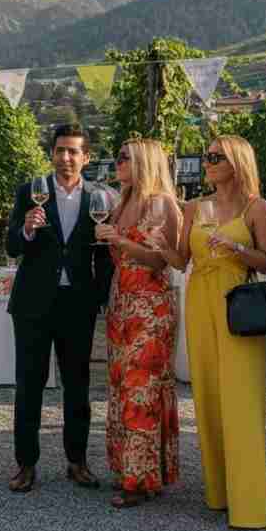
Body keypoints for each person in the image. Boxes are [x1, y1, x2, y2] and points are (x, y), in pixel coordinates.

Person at [147, 135, 266, 529]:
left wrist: (234, 249)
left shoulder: (258, 207)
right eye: (207, 156)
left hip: (238, 303)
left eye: (216, 157)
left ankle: (249, 505)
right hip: (200, 299)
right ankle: (219, 493)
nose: (208, 162)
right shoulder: (193, 206)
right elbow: (181, 259)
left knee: (241, 401)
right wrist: (160, 245)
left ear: (237, 162)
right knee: (208, 396)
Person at [4, 124, 114, 495]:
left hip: (77, 304)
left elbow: (106, 257)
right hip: (33, 303)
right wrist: (28, 231)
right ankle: (26, 464)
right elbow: (11, 245)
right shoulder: (30, 192)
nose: (65, 158)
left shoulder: (100, 198)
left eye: (73, 152)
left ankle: (77, 461)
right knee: (29, 385)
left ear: (86, 158)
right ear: (51, 154)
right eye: (59, 151)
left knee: (78, 385)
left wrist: (99, 297)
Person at [93, 138, 182, 508]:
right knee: (122, 387)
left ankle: (139, 480)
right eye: (117, 157)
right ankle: (130, 471)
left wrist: (120, 243)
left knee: (141, 390)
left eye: (125, 158)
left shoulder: (162, 203)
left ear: (145, 162)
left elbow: (164, 261)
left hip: (151, 306)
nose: (118, 163)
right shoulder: (121, 201)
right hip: (123, 304)